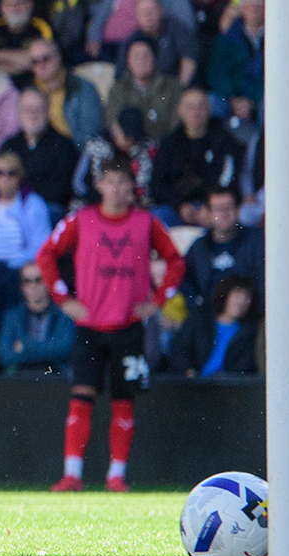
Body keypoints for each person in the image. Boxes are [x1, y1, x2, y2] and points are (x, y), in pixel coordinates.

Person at [38, 158, 183, 492]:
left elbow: (175, 260)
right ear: (100, 186)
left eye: (123, 182)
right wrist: (64, 299)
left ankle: (116, 476)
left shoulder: (147, 223)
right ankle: (72, 474)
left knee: (124, 399)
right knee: (80, 396)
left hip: (129, 326)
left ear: (132, 188)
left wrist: (157, 300)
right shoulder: (81, 220)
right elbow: (46, 255)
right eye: (110, 182)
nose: (116, 189)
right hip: (90, 326)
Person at [150, 88, 240, 227]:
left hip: (213, 207)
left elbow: (228, 179)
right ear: (180, 110)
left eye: (201, 107)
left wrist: (209, 206)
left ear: (209, 109)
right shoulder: (170, 142)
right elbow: (158, 183)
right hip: (177, 208)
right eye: (190, 107)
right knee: (156, 216)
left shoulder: (223, 140)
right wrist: (180, 206)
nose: (195, 112)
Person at [179, 187, 264, 319]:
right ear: (209, 213)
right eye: (218, 209)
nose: (224, 214)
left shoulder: (255, 241)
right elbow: (185, 281)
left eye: (228, 207)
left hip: (247, 321)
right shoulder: (199, 247)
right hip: (208, 321)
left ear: (237, 210)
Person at [1, 88, 79, 216]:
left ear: (47, 112)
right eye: (27, 110)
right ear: (19, 113)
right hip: (13, 206)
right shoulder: (9, 145)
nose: (32, 115)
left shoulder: (63, 145)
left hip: (47, 208)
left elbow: (61, 191)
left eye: (38, 109)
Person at [0, 151, 51, 270]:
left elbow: (41, 245)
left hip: (22, 268)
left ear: (20, 176)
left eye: (11, 173)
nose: (5, 178)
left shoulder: (34, 203)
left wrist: (10, 265)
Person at [170, 275, 259, 378]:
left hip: (228, 389)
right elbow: (179, 348)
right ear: (225, 295)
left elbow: (244, 367)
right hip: (194, 386)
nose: (242, 301)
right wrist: (188, 370)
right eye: (237, 295)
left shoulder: (249, 332)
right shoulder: (201, 320)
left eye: (247, 297)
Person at [0, 263, 75, 375]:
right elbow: (5, 355)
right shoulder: (13, 316)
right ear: (21, 286)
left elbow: (64, 348)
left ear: (48, 281)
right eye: (27, 281)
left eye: (38, 280)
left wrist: (25, 345)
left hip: (56, 379)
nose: (33, 285)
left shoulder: (63, 313)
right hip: (21, 380)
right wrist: (46, 350)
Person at [27, 37, 103, 146]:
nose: (40, 65)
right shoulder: (29, 91)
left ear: (58, 57)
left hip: (72, 153)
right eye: (35, 61)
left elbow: (89, 136)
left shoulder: (83, 88)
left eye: (45, 58)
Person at [105, 37, 181, 143]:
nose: (141, 60)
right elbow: (112, 121)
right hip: (127, 147)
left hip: (162, 147)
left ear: (155, 58)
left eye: (146, 55)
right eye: (136, 56)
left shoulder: (172, 87)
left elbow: (176, 126)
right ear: (128, 61)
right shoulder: (118, 89)